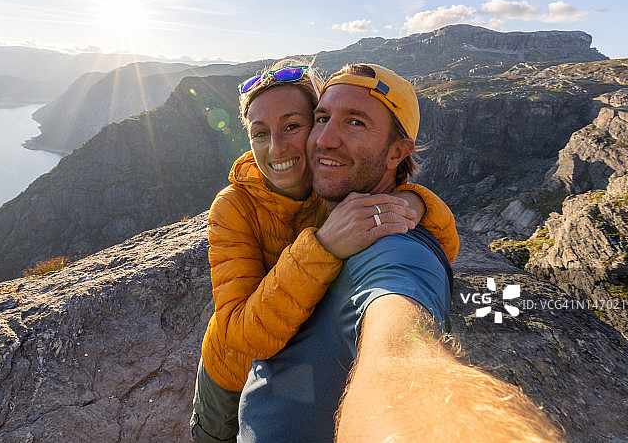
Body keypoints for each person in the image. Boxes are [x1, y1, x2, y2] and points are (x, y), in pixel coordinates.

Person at [237, 64, 562, 442]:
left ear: (397, 152)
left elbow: (401, 348)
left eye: (355, 123)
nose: (324, 139)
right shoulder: (319, 210)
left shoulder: (395, 249)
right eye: (322, 118)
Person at [190, 63, 460, 443]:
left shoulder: (333, 181)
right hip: (230, 371)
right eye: (260, 133)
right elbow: (241, 336)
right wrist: (323, 246)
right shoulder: (234, 206)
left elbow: (446, 242)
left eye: (292, 126)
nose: (276, 147)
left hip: (291, 365)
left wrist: (411, 202)